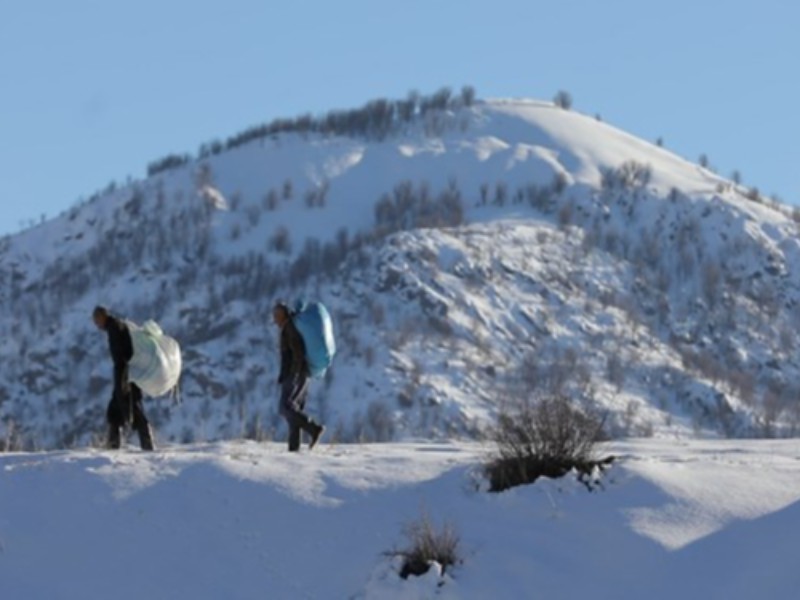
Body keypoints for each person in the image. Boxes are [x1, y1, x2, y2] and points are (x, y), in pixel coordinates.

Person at [92, 306, 154, 451]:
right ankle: (113, 445)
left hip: (125, 376)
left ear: (102, 316)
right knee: (115, 411)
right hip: (126, 374)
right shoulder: (116, 326)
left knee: (132, 408)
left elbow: (123, 356)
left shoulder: (114, 328)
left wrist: (122, 381)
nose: (96, 325)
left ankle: (146, 445)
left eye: (96, 321)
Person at [273, 302, 325, 452]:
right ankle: (294, 449)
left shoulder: (290, 328)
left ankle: (314, 428)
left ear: (284, 314)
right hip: (302, 373)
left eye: (277, 315)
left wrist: (294, 374)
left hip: (296, 374)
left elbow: (298, 352)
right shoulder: (289, 327)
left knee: (285, 407)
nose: (275, 319)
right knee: (293, 410)